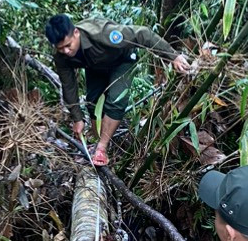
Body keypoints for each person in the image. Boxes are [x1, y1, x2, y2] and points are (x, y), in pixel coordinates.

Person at [45, 14, 192, 166]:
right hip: (95, 66)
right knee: (92, 104)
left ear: (76, 33)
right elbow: (68, 86)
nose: (67, 51)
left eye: (68, 45)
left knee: (116, 100)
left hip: (122, 60)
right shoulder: (61, 56)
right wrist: (77, 118)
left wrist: (172, 56)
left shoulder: (102, 34)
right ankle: (98, 142)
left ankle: (102, 147)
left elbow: (143, 34)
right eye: (61, 48)